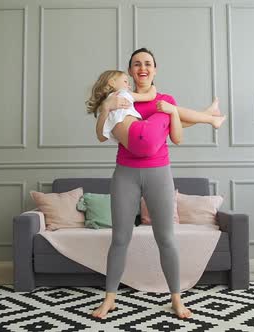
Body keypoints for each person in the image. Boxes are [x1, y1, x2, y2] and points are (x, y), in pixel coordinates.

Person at [91, 48, 222, 320]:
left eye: (148, 63)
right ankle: (109, 299)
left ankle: (176, 298)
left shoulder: (164, 100)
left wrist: (171, 113)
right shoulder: (121, 98)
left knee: (166, 239)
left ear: (155, 69)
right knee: (120, 239)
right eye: (136, 64)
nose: (142, 68)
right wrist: (106, 107)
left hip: (158, 172)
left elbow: (175, 134)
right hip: (126, 172)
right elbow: (102, 135)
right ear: (129, 71)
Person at [86, 70, 225, 157]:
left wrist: (104, 109)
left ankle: (208, 115)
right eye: (125, 81)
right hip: (141, 135)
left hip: (136, 149)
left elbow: (101, 137)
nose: (128, 85)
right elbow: (150, 97)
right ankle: (210, 117)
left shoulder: (106, 109)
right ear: (112, 82)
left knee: (169, 117)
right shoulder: (121, 94)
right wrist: (153, 86)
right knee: (169, 110)